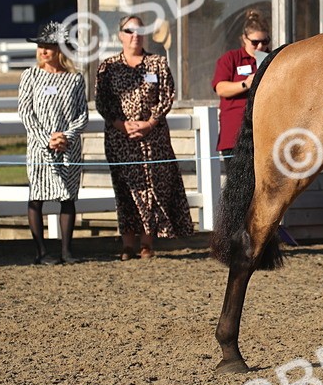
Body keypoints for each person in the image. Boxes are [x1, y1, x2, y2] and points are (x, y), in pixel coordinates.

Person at [95, 15, 194, 259]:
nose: (134, 35)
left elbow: (167, 96)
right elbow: (102, 101)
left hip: (153, 138)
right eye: (129, 31)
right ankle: (127, 243)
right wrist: (121, 125)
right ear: (120, 35)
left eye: (139, 30)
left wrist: (150, 123)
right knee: (126, 189)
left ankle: (147, 242)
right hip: (121, 138)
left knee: (152, 189)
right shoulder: (108, 67)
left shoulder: (157, 64)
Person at [18, 21, 88, 264]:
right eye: (40, 47)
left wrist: (65, 137)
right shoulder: (30, 76)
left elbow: (82, 114)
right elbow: (26, 112)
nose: (43, 51)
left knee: (67, 197)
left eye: (49, 46)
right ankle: (41, 252)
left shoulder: (75, 79)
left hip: (68, 148)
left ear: (61, 49)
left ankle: (67, 251)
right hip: (40, 146)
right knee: (36, 196)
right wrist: (47, 139)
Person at [211, 10, 271, 177]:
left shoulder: (271, 59)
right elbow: (221, 88)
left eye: (265, 41)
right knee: (238, 184)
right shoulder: (231, 59)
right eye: (255, 42)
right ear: (244, 39)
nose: (260, 47)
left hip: (265, 134)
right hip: (235, 135)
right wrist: (246, 84)